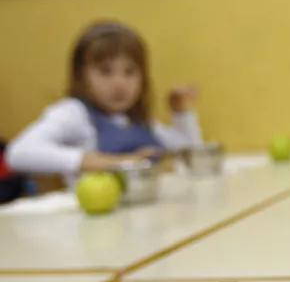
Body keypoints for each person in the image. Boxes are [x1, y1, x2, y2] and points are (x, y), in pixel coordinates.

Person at [7, 21, 203, 185]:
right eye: (105, 72)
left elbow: (194, 155)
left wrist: (180, 113)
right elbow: (18, 153)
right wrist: (116, 162)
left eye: (129, 72)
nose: (119, 84)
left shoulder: (137, 120)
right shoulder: (74, 113)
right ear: (81, 76)